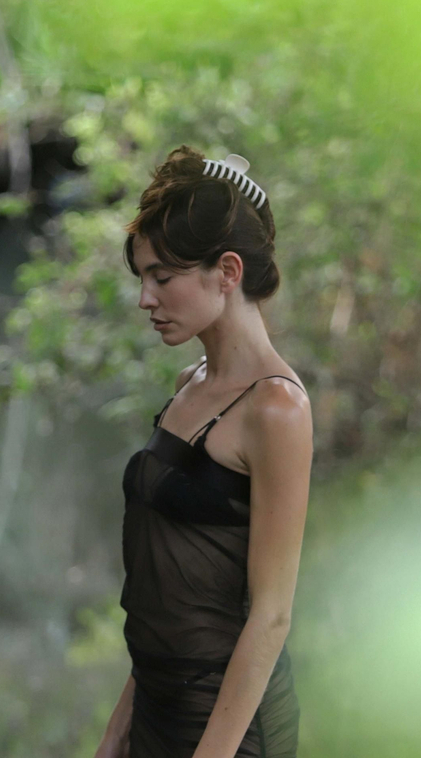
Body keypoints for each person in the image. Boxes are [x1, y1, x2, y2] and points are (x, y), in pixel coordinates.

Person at [95, 146, 313, 758]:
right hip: (158, 705)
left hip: (228, 723)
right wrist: (117, 730)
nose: (145, 298)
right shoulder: (188, 385)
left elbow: (270, 616)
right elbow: (175, 590)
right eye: (142, 278)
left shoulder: (277, 410)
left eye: (162, 277)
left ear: (228, 271)